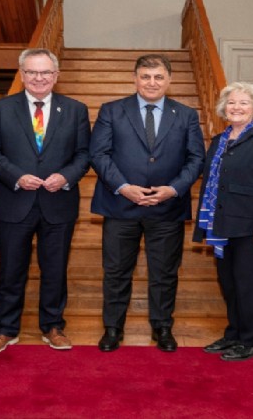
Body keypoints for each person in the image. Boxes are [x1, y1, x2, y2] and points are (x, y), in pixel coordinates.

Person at [90, 53, 205, 352]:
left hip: (167, 208)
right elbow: (99, 154)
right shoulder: (111, 111)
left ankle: (162, 327)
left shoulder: (187, 115)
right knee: (116, 272)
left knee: (164, 272)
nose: (151, 82)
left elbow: (196, 158)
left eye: (158, 77)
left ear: (169, 80)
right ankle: (113, 328)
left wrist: (175, 188)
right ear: (135, 78)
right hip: (120, 206)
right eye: (145, 76)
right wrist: (123, 187)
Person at [0, 48, 91, 354]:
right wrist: (16, 176)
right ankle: (5, 329)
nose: (38, 78)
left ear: (56, 75)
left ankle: (53, 326)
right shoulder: (1, 109)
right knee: (11, 269)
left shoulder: (75, 109)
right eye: (31, 72)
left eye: (45, 72)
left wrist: (66, 177)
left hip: (59, 203)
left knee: (55, 269)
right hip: (14, 201)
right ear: (22, 74)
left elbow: (84, 154)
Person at [193, 83, 253, 361]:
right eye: (232, 103)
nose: (236, 107)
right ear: (224, 108)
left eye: (244, 103)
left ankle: (251, 340)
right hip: (222, 224)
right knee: (231, 283)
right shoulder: (220, 140)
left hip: (252, 226)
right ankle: (234, 333)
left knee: (250, 284)